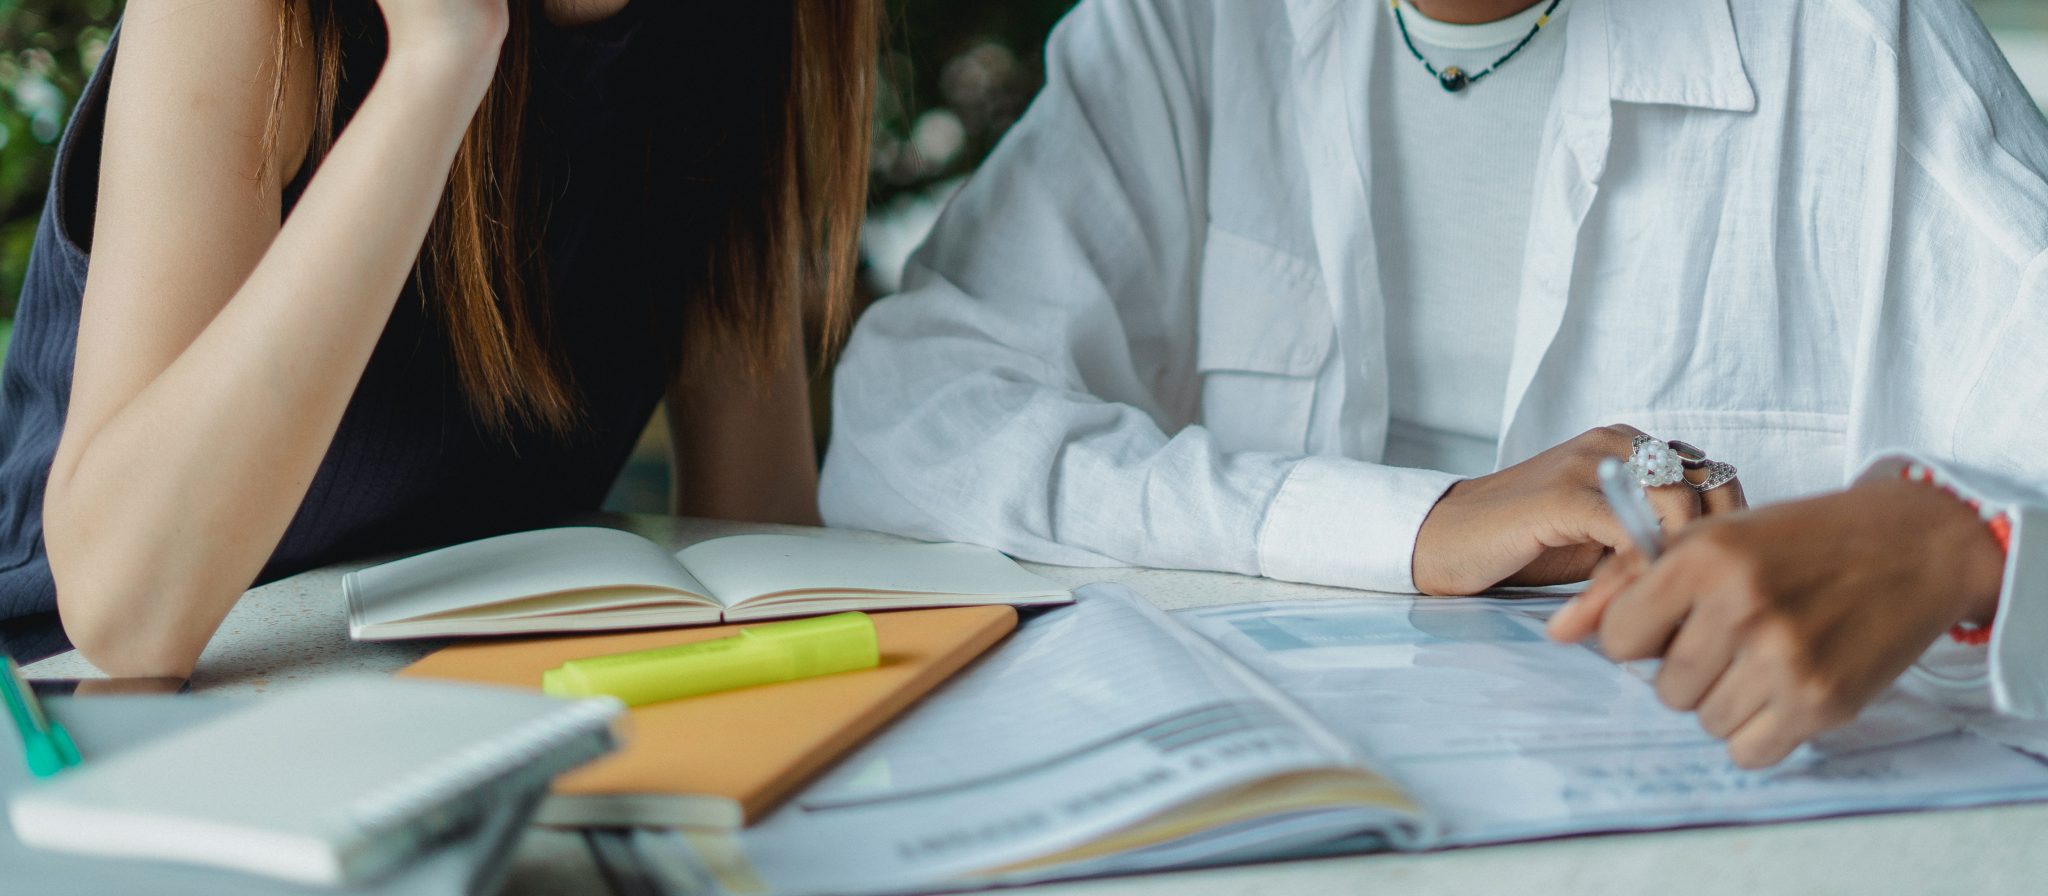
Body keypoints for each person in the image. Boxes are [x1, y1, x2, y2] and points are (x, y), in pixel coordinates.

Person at [820, 0, 2048, 767]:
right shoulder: (1180, 31)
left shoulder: (1851, 39)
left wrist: (1961, 547)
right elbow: (910, 423)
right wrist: (1415, 519)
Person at [0, 0, 878, 673]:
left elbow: (759, 534)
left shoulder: (738, 30)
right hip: (86, 734)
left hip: (460, 725)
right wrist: (438, 62)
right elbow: (123, 614)